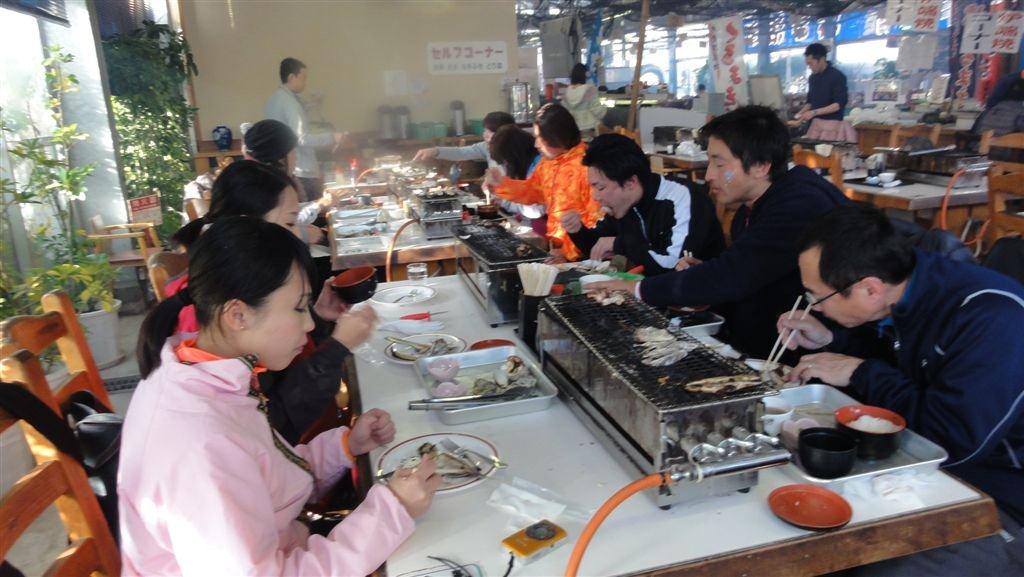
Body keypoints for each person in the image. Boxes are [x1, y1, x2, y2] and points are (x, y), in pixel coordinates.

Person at [122, 217, 440, 575]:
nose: (309, 324)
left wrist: (345, 446)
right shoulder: (199, 443)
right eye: (298, 308)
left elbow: (266, 477)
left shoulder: (207, 374)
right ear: (238, 315)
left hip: (289, 539)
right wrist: (393, 510)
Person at [778, 204, 1024, 575]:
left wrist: (861, 372)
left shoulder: (992, 317)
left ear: (870, 288)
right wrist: (832, 340)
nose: (815, 307)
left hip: (997, 495)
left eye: (818, 297)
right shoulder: (907, 285)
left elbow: (951, 441)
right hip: (922, 469)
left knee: (851, 560)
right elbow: (896, 356)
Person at [587, 106, 848, 357]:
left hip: (816, 353)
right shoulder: (750, 207)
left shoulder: (799, 205)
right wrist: (703, 273)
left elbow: (733, 275)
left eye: (719, 164)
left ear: (760, 165)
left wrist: (636, 289)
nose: (709, 174)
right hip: (762, 338)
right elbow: (748, 273)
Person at [169, 160, 358, 444]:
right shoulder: (206, 311)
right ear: (250, 225)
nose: (297, 234)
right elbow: (275, 426)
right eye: (290, 223)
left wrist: (317, 317)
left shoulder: (239, 281)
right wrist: (336, 348)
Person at [561, 133, 724, 274]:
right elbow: (598, 249)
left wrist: (619, 244)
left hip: (701, 295)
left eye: (600, 187)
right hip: (650, 290)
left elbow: (674, 265)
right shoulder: (623, 204)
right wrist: (578, 231)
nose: (595, 196)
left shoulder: (682, 198)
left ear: (630, 182)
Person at [484, 103, 603, 262]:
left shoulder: (586, 165)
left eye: (540, 138)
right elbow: (533, 190)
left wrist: (568, 253)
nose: (536, 144)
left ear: (557, 138)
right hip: (557, 249)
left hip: (583, 253)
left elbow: (594, 219)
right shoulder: (547, 162)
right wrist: (501, 184)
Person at [264, 57, 345, 203]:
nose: (305, 83)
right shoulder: (290, 103)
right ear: (291, 77)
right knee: (314, 211)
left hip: (284, 169)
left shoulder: (275, 99)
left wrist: (311, 104)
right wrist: (332, 137)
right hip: (302, 171)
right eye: (303, 78)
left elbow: (288, 124)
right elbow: (301, 138)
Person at [242, 119, 327, 241]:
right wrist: (303, 234)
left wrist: (320, 204)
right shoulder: (265, 187)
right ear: (280, 157)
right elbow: (273, 234)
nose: (296, 157)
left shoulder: (258, 177)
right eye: (293, 151)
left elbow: (289, 215)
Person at [792, 43, 855, 143]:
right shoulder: (812, 78)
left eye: (811, 63)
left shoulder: (837, 76)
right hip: (815, 126)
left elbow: (837, 105)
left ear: (822, 59)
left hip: (832, 127)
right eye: (807, 64)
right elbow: (810, 103)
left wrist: (813, 112)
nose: (809, 67)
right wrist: (799, 115)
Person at [488, 124, 545, 235]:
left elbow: (534, 210)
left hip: (543, 228)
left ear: (515, 155)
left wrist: (505, 202)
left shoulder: (538, 167)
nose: (506, 166)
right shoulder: (528, 163)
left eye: (506, 162)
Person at [412, 111, 515, 165]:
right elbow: (461, 152)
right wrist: (435, 151)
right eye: (485, 130)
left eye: (491, 131)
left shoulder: (518, 150)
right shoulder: (485, 147)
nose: (485, 135)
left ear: (506, 131)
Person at [562, 63, 606, 138]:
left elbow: (565, 111)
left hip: (574, 128)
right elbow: (596, 109)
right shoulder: (589, 89)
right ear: (585, 75)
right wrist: (604, 109)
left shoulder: (567, 91)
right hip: (590, 128)